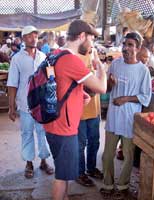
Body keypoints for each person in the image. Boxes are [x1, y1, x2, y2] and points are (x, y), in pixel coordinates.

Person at [43, 19, 107, 200]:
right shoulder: (72, 60)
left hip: (52, 123)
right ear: (81, 36)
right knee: (61, 178)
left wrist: (78, 95)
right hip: (64, 129)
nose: (92, 44)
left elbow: (55, 85)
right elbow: (101, 88)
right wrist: (100, 67)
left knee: (62, 173)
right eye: (91, 39)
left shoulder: (55, 54)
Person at [100, 32, 152, 199]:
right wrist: (110, 83)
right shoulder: (115, 64)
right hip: (114, 116)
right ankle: (108, 184)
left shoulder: (143, 70)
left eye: (130, 45)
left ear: (137, 48)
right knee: (107, 154)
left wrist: (126, 99)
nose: (126, 48)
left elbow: (146, 96)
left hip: (130, 117)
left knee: (128, 155)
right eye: (124, 44)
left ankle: (122, 186)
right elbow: (106, 90)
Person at [7, 25, 54, 179]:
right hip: (25, 104)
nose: (33, 38)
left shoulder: (43, 56)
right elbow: (12, 84)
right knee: (27, 133)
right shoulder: (17, 58)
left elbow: (50, 79)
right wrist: (11, 107)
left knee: (42, 132)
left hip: (41, 104)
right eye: (30, 36)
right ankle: (29, 163)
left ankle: (43, 160)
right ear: (23, 38)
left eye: (35, 35)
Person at [76, 46, 103, 187]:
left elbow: (99, 75)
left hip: (94, 108)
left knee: (94, 141)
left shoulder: (94, 52)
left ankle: (91, 168)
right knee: (80, 144)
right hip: (79, 111)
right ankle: (79, 173)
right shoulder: (74, 55)